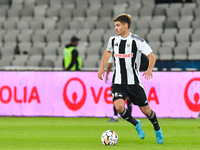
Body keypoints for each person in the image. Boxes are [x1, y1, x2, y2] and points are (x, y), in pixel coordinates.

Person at [97, 13, 164, 144]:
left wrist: (149, 69)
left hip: (134, 82)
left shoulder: (136, 40)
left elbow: (152, 56)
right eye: (115, 26)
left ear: (126, 26)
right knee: (120, 107)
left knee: (146, 110)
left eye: (118, 25)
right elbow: (108, 52)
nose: (116, 28)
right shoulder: (113, 40)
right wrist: (102, 68)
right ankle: (136, 124)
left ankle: (157, 128)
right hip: (118, 81)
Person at [105, 56, 132, 122]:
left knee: (116, 96)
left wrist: (107, 75)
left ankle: (115, 116)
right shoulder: (127, 51)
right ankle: (130, 117)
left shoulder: (113, 53)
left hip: (117, 78)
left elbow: (109, 65)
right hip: (128, 77)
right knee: (128, 97)